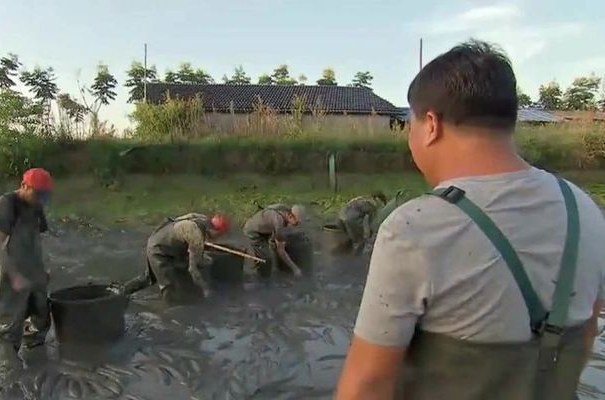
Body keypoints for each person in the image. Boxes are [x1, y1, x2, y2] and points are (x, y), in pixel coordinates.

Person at [336, 40, 605, 400]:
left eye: (410, 125)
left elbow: (367, 386)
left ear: (431, 124)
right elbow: (587, 333)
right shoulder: (585, 209)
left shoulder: (414, 228)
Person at [0, 168, 53, 368]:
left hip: (31, 265)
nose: (41, 199)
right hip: (8, 267)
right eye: (38, 193)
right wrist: (14, 276)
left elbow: (38, 236)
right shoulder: (6, 204)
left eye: (45, 195)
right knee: (8, 324)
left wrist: (44, 267)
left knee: (41, 313)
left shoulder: (36, 205)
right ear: (24, 186)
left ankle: (34, 351)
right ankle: (9, 368)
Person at [124, 213, 230, 304]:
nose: (218, 238)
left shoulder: (200, 218)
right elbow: (193, 269)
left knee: (151, 276)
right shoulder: (196, 238)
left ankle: (123, 291)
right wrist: (205, 289)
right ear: (216, 230)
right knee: (168, 286)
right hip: (159, 250)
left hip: (159, 238)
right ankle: (168, 314)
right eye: (220, 234)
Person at [243, 204, 305, 278]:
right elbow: (281, 251)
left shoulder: (283, 209)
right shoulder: (279, 223)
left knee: (269, 247)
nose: (295, 226)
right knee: (266, 258)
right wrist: (295, 269)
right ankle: (262, 280)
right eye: (296, 223)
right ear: (290, 216)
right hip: (253, 231)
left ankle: (259, 264)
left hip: (263, 226)